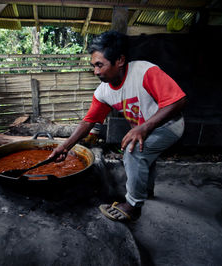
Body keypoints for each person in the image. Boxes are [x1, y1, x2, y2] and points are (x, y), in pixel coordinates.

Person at [49, 31, 187, 222]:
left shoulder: (145, 72)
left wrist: (144, 128)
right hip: (146, 129)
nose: (96, 71)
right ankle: (147, 190)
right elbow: (88, 122)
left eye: (100, 65)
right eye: (93, 66)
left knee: (133, 151)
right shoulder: (103, 92)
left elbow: (177, 101)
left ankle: (133, 206)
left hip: (170, 125)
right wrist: (65, 146)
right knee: (145, 153)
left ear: (120, 60)